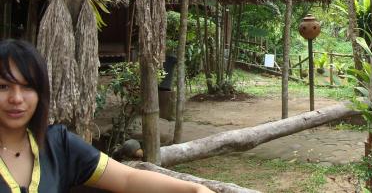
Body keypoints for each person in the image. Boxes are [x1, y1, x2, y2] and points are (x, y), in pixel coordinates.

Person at [0, 39, 213, 193]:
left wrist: (194, 189)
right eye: (3, 87)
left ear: (41, 92)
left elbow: (128, 179)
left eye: (27, 87)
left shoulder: (58, 144)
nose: (16, 98)